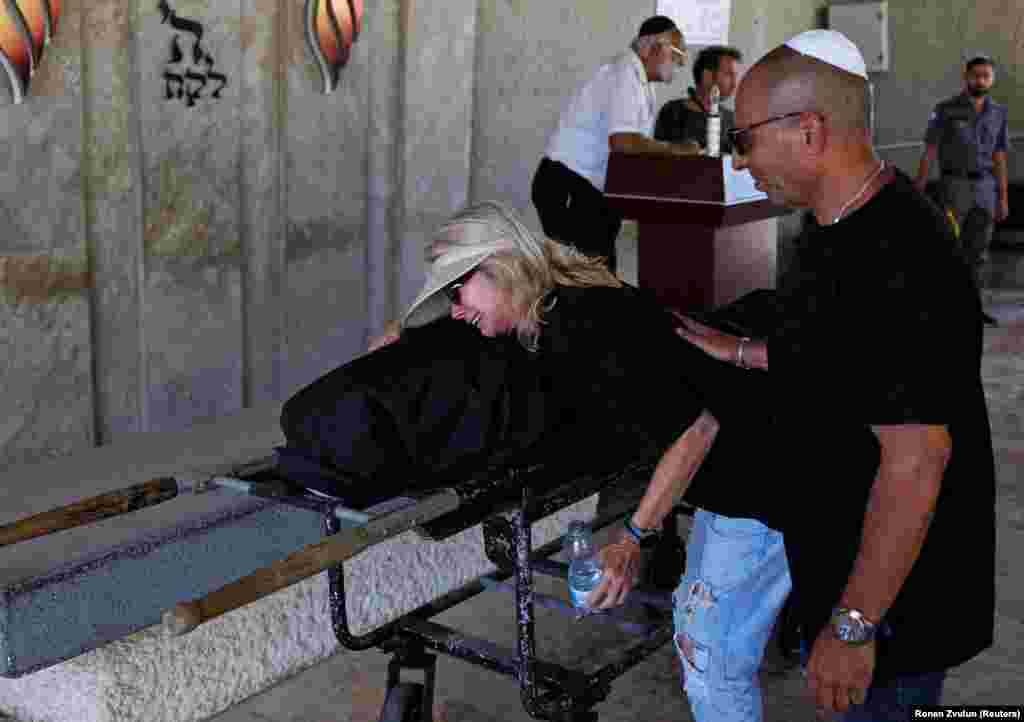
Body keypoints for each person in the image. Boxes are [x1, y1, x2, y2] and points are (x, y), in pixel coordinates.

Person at [650, 29, 995, 722]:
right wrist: (746, 352)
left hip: (898, 604)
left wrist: (853, 624)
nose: (738, 161)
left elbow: (915, 461)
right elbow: (851, 353)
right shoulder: (832, 227)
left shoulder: (900, 250)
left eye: (743, 139)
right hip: (852, 568)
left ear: (808, 130)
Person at [278, 200, 772, 596]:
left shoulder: (591, 325)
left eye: (458, 290)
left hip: (747, 455)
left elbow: (699, 427)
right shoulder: (538, 305)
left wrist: (634, 537)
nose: (455, 310)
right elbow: (456, 327)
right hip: (684, 438)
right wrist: (401, 328)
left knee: (709, 649)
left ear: (503, 267)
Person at [531, 15, 701, 275]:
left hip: (592, 189)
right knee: (587, 277)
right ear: (652, 47)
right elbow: (622, 141)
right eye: (677, 52)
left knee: (597, 273)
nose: (681, 62)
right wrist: (675, 150)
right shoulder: (624, 74)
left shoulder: (642, 82)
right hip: (568, 185)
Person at [914, 54, 1011, 321]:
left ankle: (973, 308)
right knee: (950, 248)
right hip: (954, 186)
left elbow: (1000, 156)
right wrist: (919, 187)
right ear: (966, 77)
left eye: (985, 76)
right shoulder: (946, 110)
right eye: (975, 75)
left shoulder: (998, 113)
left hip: (986, 189)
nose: (980, 80)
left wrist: (1003, 197)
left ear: (992, 80)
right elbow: (930, 150)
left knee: (978, 252)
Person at [654, 45, 743, 154]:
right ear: (707, 76)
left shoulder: (732, 119)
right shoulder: (673, 112)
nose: (735, 83)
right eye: (729, 74)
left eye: (736, 76)